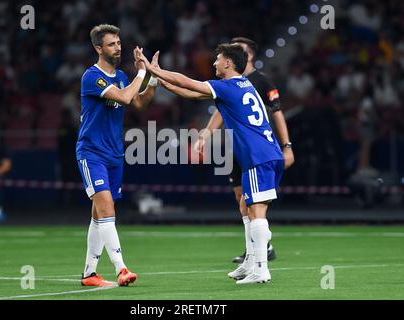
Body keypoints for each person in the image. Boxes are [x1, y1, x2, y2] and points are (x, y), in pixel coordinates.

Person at [136, 43, 283, 284]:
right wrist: (160, 80)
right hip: (265, 152)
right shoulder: (243, 85)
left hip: (259, 155)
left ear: (228, 63)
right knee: (249, 207)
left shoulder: (229, 86)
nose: (214, 63)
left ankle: (261, 269)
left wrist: (156, 70)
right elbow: (191, 93)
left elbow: (189, 83)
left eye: (217, 59)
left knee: (257, 210)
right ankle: (250, 264)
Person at [76, 24, 158, 287]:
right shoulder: (92, 77)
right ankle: (121, 269)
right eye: (111, 44)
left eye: (119, 42)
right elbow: (123, 98)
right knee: (107, 209)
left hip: (114, 154)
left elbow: (139, 102)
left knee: (99, 216)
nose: (118, 47)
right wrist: (142, 72)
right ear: (98, 48)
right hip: (92, 153)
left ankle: (89, 274)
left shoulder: (122, 75)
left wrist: (153, 78)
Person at [201, 37, 295, 264]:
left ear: (248, 55)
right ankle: (252, 251)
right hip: (239, 145)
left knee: (254, 200)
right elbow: (221, 110)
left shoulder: (261, 82)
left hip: (258, 147)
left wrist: (287, 145)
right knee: (242, 198)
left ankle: (261, 253)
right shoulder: (232, 82)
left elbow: (277, 112)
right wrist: (207, 133)